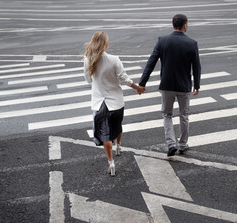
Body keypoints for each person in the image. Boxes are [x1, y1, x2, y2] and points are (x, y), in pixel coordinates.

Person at [139, 14, 201, 157]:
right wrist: (197, 84)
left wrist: (142, 83)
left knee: (167, 115)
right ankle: (183, 145)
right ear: (184, 25)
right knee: (184, 115)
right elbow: (196, 67)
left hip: (166, 85)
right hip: (184, 86)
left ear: (173, 24)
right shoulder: (192, 43)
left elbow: (151, 62)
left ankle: (171, 144)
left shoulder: (162, 41)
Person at [84, 32, 145, 176]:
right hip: (116, 102)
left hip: (99, 104)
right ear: (106, 44)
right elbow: (124, 78)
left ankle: (111, 163)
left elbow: (88, 80)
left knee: (105, 134)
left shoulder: (87, 60)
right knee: (116, 126)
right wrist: (137, 87)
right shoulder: (114, 59)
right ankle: (118, 146)